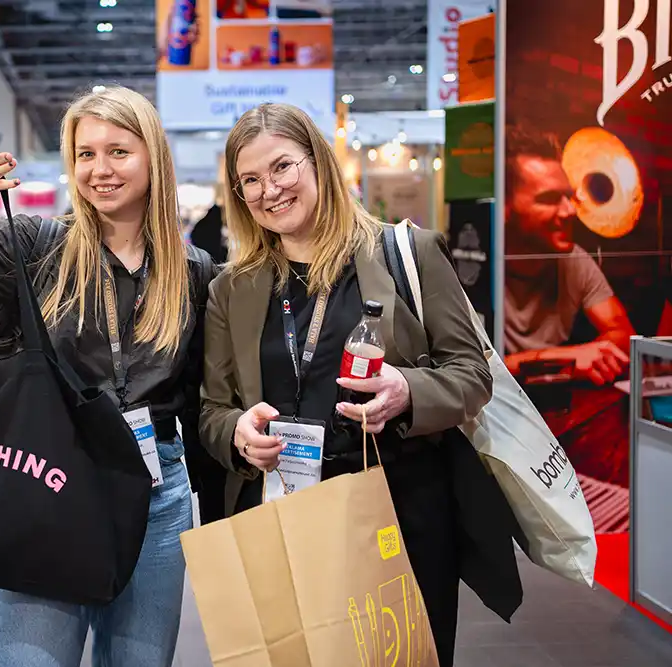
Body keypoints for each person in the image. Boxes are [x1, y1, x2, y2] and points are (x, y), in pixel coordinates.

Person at [0, 85, 215, 667]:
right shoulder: (33, 246)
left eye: (118, 151)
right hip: (45, 480)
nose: (100, 169)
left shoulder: (192, 270)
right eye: (85, 154)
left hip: (154, 492)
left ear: (153, 158)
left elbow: (197, 395)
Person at [199, 103, 498, 667]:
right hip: (282, 516)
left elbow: (471, 374)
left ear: (318, 162)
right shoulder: (231, 289)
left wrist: (407, 390)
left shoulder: (408, 255)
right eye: (250, 180)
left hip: (396, 512)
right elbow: (213, 408)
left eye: (282, 167)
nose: (270, 190)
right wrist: (238, 433)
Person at [503, 124, 635, 385]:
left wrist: (558, 361)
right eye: (549, 198)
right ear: (505, 207)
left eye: (568, 196)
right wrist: (566, 358)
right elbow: (469, 367)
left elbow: (623, 335)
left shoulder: (574, 260)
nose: (570, 211)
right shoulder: (471, 268)